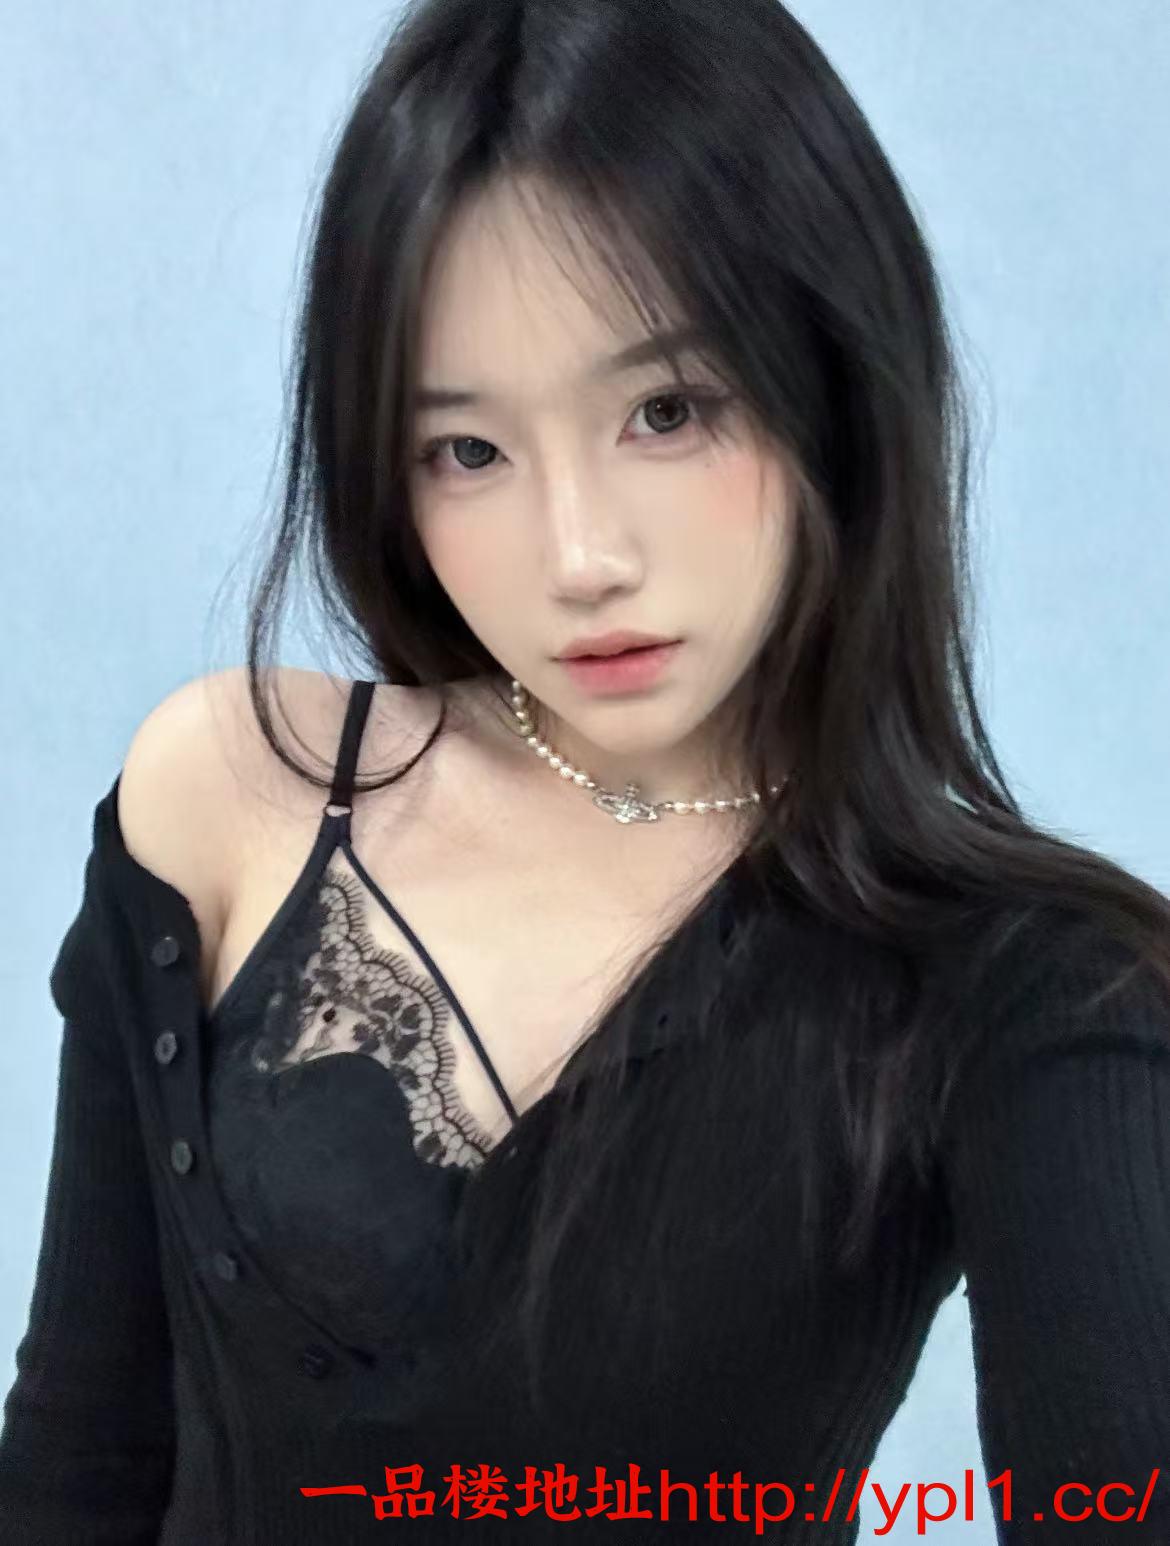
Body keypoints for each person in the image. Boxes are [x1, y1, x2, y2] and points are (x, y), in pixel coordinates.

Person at [3, 0, 1169, 1541]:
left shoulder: (1027, 985)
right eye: (467, 451)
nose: (578, 556)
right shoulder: (234, 790)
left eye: (667, 410)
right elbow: (76, 1460)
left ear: (834, 383)